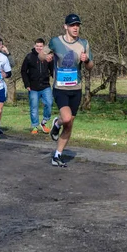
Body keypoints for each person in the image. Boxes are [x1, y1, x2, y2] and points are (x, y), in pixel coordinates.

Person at [41, 13, 94, 167]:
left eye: (77, 25)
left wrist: (87, 60)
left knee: (70, 123)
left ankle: (57, 155)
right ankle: (56, 123)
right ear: (66, 27)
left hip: (76, 89)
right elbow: (40, 55)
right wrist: (47, 58)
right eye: (72, 25)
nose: (75, 28)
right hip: (60, 88)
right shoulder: (56, 42)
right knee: (65, 118)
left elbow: (90, 67)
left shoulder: (84, 43)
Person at [21, 38, 54, 134]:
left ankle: (44, 122)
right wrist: (26, 84)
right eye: (37, 46)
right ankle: (35, 126)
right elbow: (23, 71)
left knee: (49, 103)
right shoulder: (29, 57)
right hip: (33, 87)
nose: (39, 48)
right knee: (34, 107)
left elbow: (52, 71)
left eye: (41, 46)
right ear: (34, 46)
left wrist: (56, 80)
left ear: (44, 47)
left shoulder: (48, 57)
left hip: (45, 86)